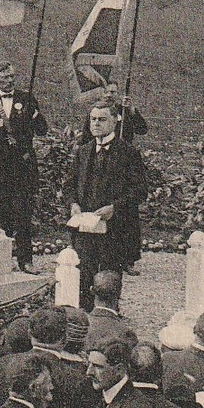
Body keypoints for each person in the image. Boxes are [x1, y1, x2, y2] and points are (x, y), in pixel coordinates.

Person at [64, 98, 149, 309]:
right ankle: (83, 317)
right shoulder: (83, 152)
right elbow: (68, 186)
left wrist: (115, 208)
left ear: (114, 122)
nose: (96, 124)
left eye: (102, 119)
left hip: (114, 229)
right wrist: (73, 204)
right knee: (83, 274)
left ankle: (109, 314)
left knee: (110, 275)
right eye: (93, 119)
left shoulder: (128, 153)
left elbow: (140, 190)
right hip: (84, 228)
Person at [0, 61, 48, 272]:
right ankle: (2, 259)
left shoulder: (26, 99)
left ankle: (25, 260)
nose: (9, 81)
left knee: (23, 215)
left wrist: (33, 114)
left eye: (11, 77)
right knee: (1, 215)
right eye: (4, 78)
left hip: (22, 165)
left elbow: (42, 129)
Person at [88, 339, 178, 408]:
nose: (89, 372)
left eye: (98, 367)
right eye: (89, 364)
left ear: (120, 369)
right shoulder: (105, 398)